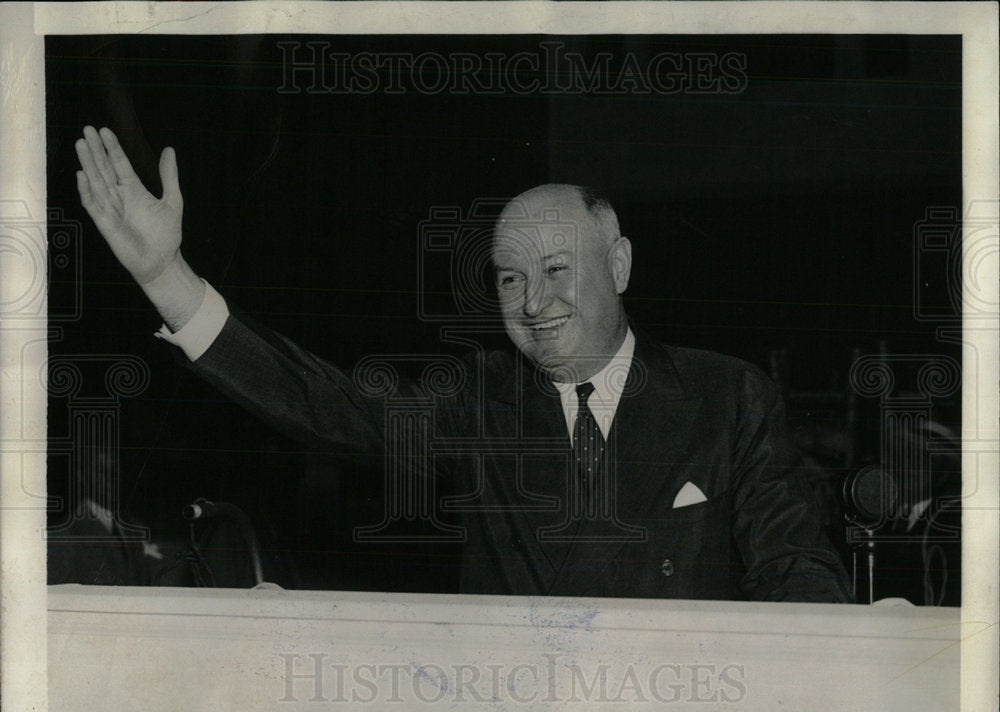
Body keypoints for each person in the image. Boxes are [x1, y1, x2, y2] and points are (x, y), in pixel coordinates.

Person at [75, 125, 852, 602]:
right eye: (510, 279)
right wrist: (165, 279)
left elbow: (797, 574)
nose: (532, 301)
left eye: (556, 269)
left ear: (616, 264)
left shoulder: (729, 396)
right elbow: (329, 405)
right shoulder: (479, 400)